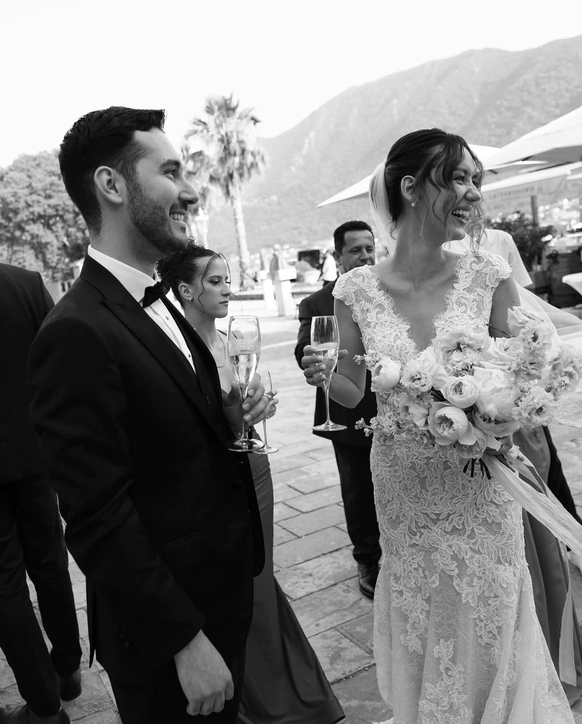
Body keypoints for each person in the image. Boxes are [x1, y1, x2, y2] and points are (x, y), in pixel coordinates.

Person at [302, 129, 575, 721]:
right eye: (458, 178)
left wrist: (497, 411)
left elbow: (528, 368)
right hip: (405, 486)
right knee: (423, 610)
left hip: (481, 485)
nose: (473, 193)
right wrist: (325, 374)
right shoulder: (356, 289)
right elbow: (352, 390)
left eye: (476, 179)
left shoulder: (488, 273)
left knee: (493, 606)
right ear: (410, 187)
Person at [27, 107, 270, 724]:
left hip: (219, 591)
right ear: (111, 185)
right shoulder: (76, 331)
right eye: (170, 172)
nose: (190, 190)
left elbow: (164, 437)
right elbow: (96, 515)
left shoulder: (156, 298)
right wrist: (184, 641)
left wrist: (227, 420)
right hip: (169, 634)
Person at [157, 244, 345, 724]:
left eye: (227, 280)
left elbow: (246, 407)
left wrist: (260, 408)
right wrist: (234, 419)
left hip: (254, 465)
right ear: (186, 290)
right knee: (235, 581)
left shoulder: (232, 340)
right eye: (215, 281)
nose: (228, 289)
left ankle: (283, 685)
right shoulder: (174, 349)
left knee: (259, 573)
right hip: (212, 479)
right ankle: (247, 695)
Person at [445, 227, 582, 703]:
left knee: (533, 541)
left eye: (474, 189)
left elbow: (529, 327)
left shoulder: (495, 253)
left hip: (510, 415)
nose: (469, 196)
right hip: (463, 422)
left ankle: (543, 662)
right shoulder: (412, 265)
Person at [0, 264, 82, 724]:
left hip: (31, 457)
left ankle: (46, 709)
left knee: (5, 585)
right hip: (33, 455)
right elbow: (58, 364)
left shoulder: (26, 283)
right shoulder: (25, 284)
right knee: (49, 562)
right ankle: (67, 668)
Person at [294, 221, 381, 599]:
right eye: (355, 250)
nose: (365, 256)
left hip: (396, 408)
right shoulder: (315, 302)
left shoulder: (388, 289)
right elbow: (304, 347)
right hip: (347, 413)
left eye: (369, 248)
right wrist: (310, 357)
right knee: (358, 491)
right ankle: (367, 559)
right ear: (338, 256)